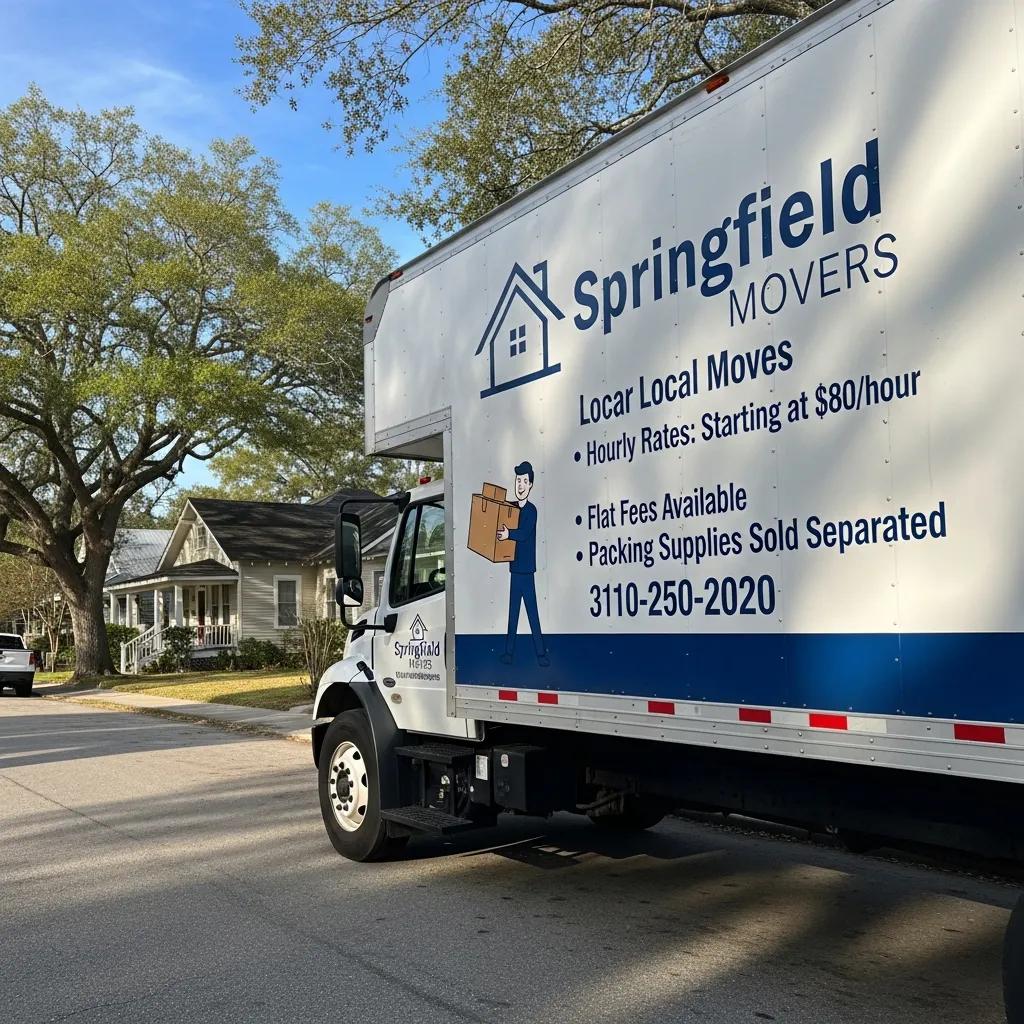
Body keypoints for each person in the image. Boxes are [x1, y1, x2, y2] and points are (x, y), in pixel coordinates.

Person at [497, 461, 548, 666]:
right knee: (513, 613)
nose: (520, 485)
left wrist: (508, 534)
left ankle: (541, 654)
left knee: (532, 612)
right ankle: (509, 653)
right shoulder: (511, 509)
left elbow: (524, 533)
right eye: (518, 480)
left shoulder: (531, 511)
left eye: (524, 481)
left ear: (530, 485)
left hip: (526, 572)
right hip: (514, 569)